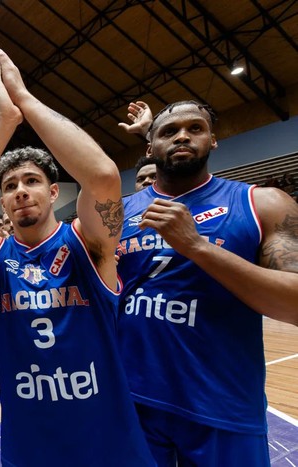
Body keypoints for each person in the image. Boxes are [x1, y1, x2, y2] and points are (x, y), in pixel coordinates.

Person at [0, 43, 155, 466]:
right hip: (31, 442)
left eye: (32, 181)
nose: (20, 191)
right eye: (10, 186)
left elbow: (104, 175)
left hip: (104, 440)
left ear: (54, 192)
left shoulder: (91, 242)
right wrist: (3, 123)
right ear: (2, 203)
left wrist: (24, 99)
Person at [116, 99, 298, 466]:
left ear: (213, 140)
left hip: (223, 407)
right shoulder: (118, 212)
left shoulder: (262, 204)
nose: (183, 136)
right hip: (135, 402)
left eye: (195, 128)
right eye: (169, 131)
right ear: (149, 147)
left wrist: (196, 246)